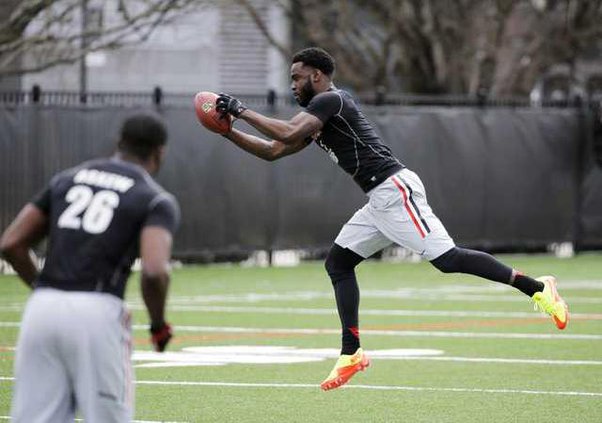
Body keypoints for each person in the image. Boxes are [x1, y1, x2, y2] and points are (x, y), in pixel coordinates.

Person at [213, 47, 569, 391]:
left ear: (317, 76)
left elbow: (287, 133)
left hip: (394, 191)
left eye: (297, 77)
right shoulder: (317, 115)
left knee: (448, 260)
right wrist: (229, 132)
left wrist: (241, 111)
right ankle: (351, 352)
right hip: (378, 201)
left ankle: (538, 288)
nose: (292, 85)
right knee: (338, 263)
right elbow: (274, 150)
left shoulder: (330, 100)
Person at [0, 113, 180, 422]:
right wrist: (158, 325)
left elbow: (11, 244)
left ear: (119, 143)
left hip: (41, 309)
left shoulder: (67, 179)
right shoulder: (154, 199)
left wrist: (43, 286)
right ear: (159, 152)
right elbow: (154, 271)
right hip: (97, 312)